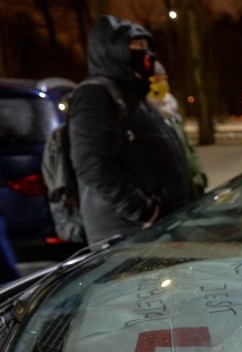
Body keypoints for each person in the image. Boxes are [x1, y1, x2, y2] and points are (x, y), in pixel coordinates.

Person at [69, 15, 193, 244]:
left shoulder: (133, 95)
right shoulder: (95, 94)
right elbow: (91, 163)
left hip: (153, 231)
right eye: (135, 47)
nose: (144, 54)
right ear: (111, 51)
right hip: (126, 235)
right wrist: (144, 210)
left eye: (146, 47)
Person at [147, 61, 208, 198]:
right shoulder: (145, 114)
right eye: (156, 79)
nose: (161, 83)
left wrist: (198, 175)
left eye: (163, 78)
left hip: (190, 185)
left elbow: (188, 147)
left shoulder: (172, 108)